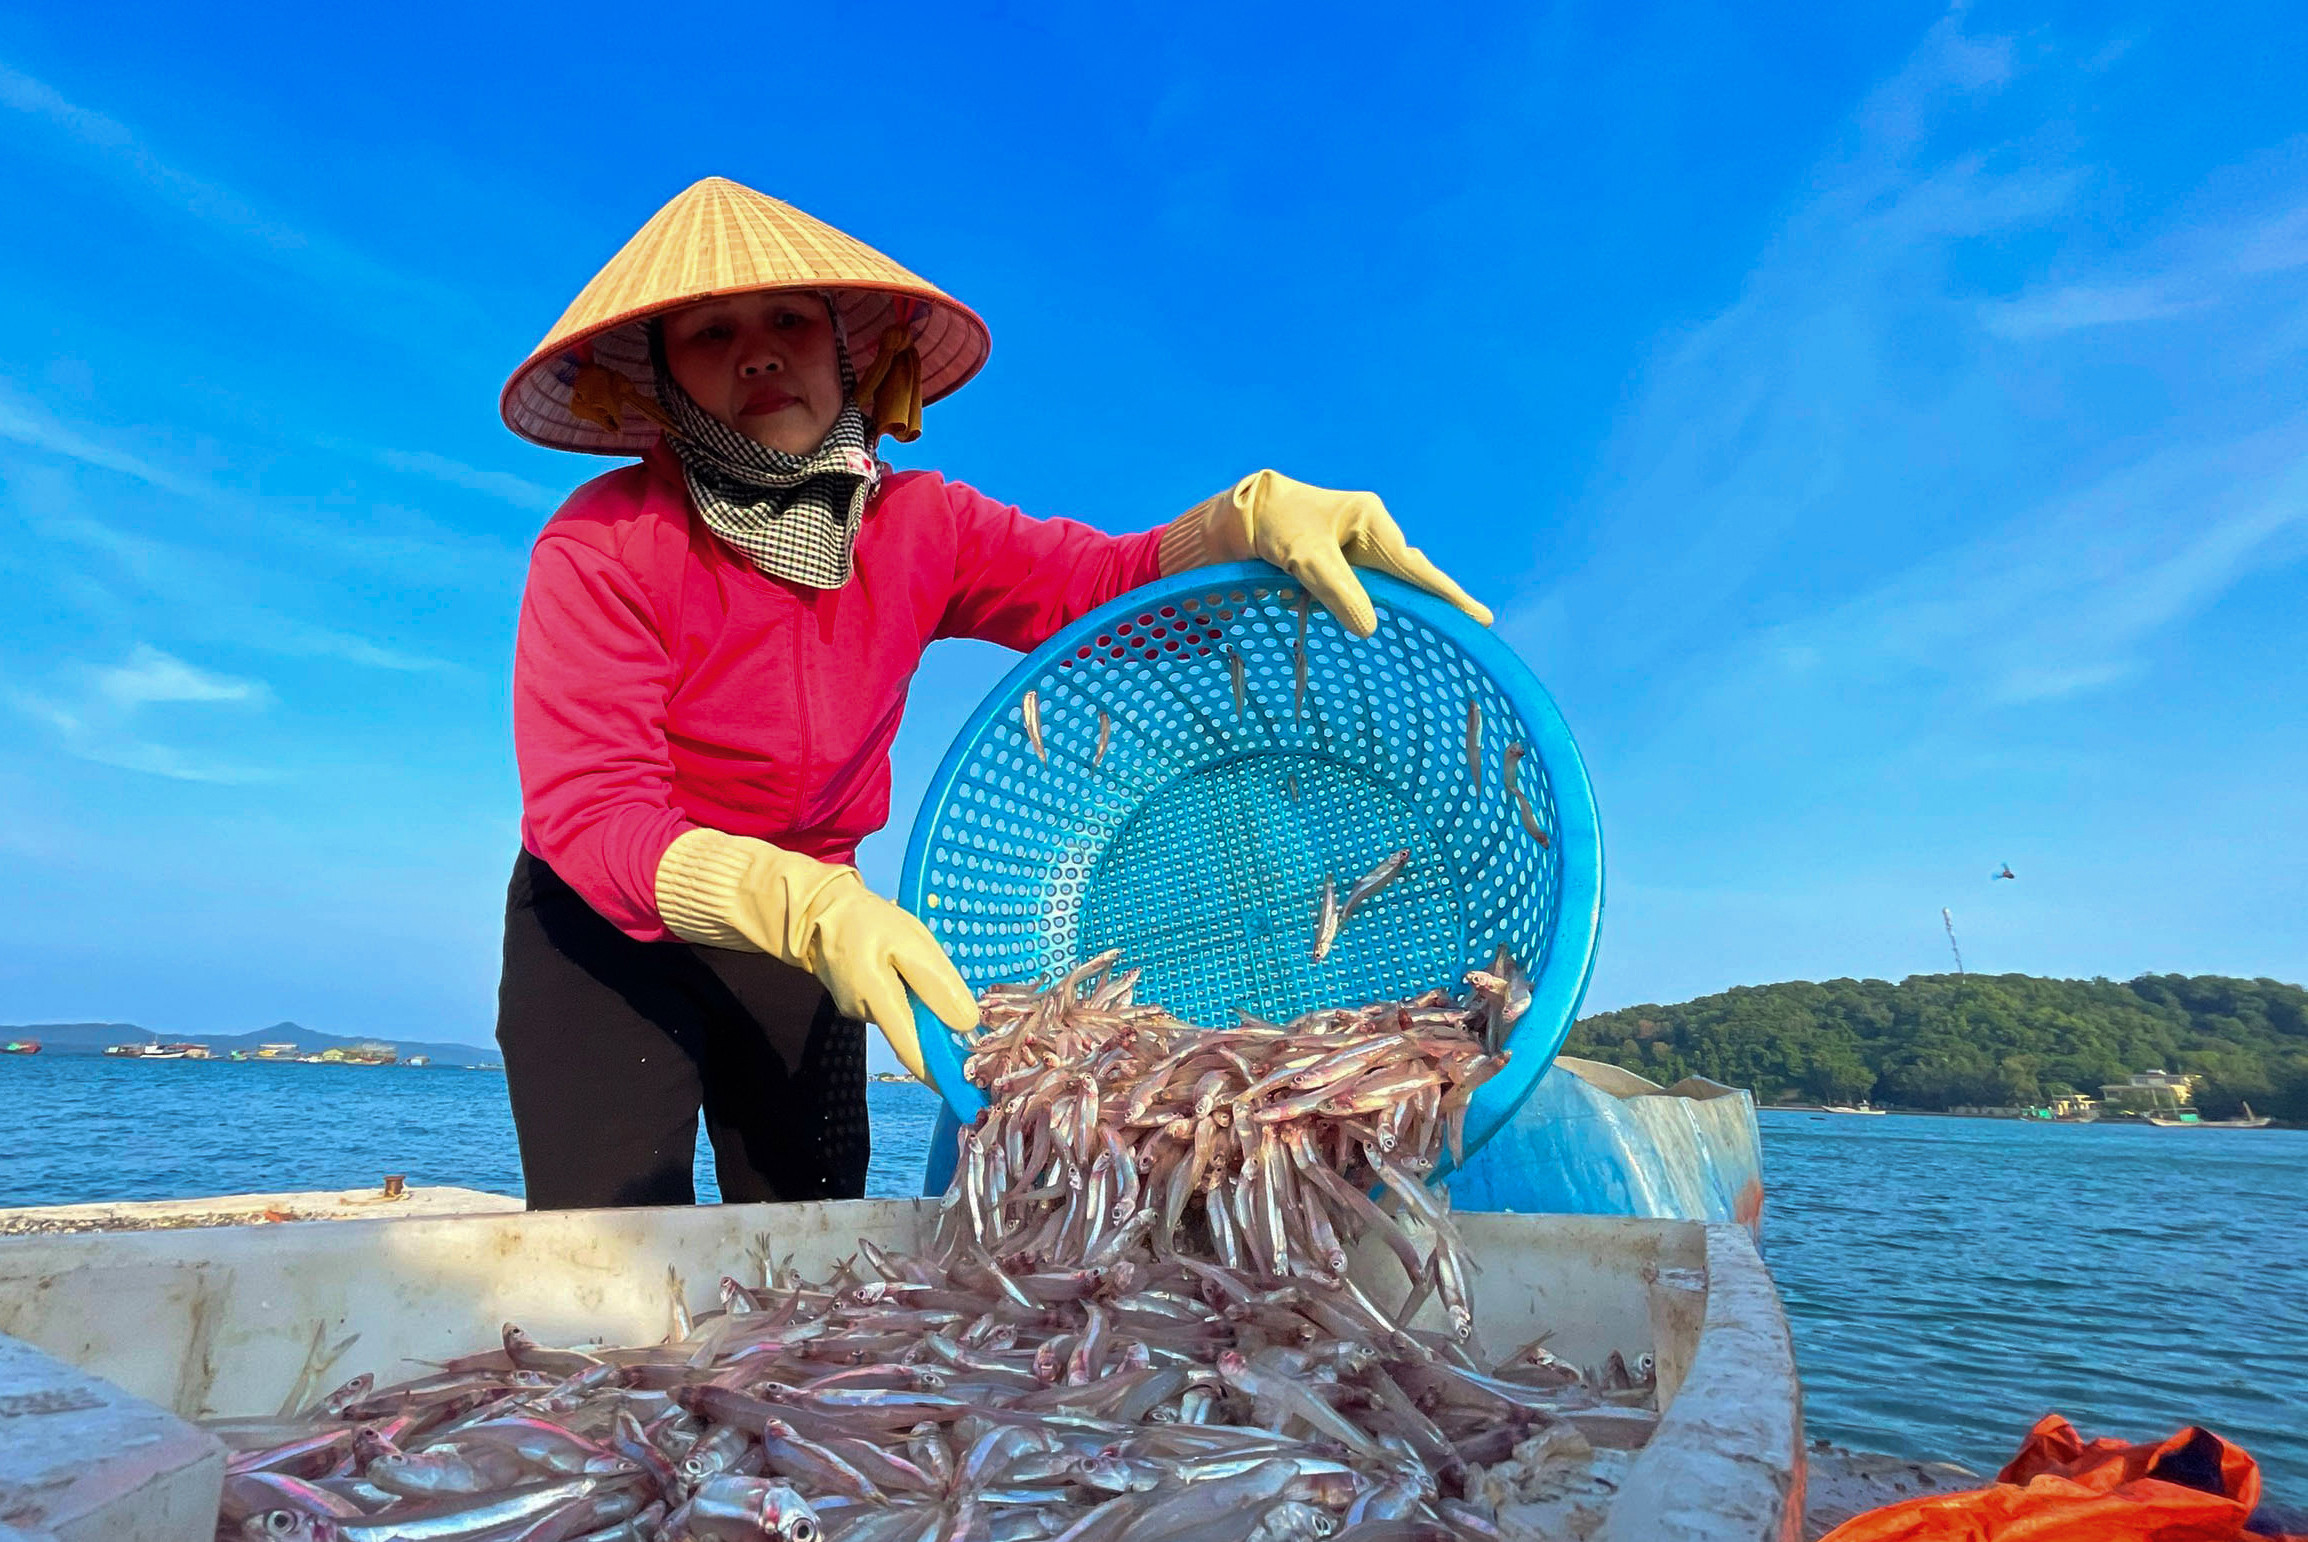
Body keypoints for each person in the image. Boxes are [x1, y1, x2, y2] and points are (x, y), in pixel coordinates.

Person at [495, 176, 1491, 1210]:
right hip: (615, 934)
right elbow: (591, 812)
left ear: (850, 353)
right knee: (598, 1247)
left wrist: (1238, 523)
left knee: (806, 1224)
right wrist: (803, 906)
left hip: (814, 939)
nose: (758, 350)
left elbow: (1098, 587)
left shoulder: (924, 525)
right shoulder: (601, 544)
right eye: (709, 334)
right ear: (660, 382)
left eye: (790, 319)